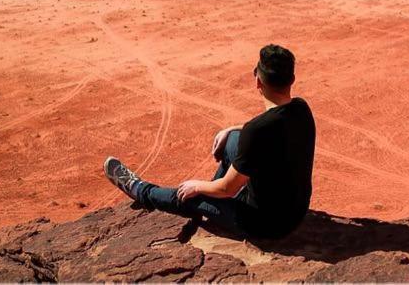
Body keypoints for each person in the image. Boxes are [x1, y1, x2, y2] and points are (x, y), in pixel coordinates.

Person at [103, 44, 316, 239]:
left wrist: (200, 187)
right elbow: (265, 130)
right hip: (295, 210)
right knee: (233, 139)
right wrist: (230, 129)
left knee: (190, 196)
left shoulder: (256, 131)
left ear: (258, 82)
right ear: (292, 79)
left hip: (263, 225)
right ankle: (214, 198)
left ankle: (141, 190)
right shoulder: (301, 108)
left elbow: (227, 190)